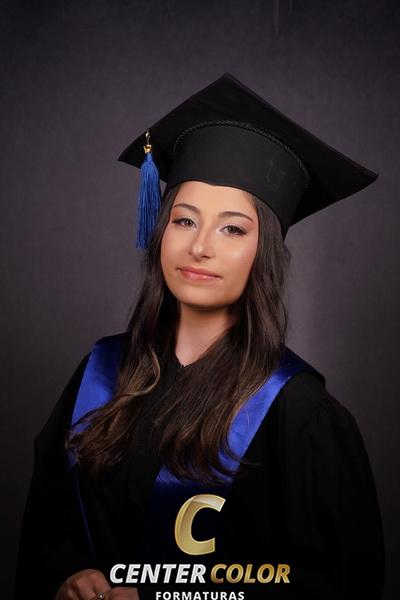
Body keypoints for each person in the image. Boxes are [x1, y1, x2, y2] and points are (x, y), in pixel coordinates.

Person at [14, 73, 385, 600]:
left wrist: (172, 595)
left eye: (232, 228)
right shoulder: (100, 373)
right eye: (184, 221)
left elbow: (330, 583)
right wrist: (68, 573)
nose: (200, 247)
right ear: (161, 230)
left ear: (264, 253)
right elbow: (48, 522)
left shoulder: (298, 414)